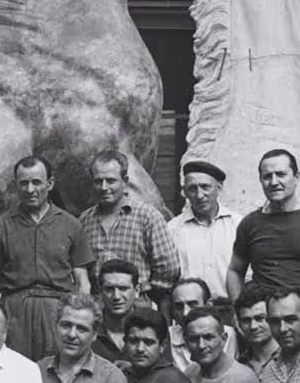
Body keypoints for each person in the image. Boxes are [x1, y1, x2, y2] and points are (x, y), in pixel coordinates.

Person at [0, 155, 91, 360]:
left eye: (36, 182)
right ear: (16, 186)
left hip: (58, 312)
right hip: (15, 313)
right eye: (24, 183)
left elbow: (82, 280)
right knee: (14, 373)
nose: (30, 190)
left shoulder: (71, 225)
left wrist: (78, 317)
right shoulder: (2, 226)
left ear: (50, 183)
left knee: (56, 370)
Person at [226, 149, 300, 315]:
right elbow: (235, 270)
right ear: (260, 180)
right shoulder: (250, 223)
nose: (274, 182)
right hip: (265, 322)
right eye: (267, 176)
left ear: (296, 177)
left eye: (281, 174)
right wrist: (240, 311)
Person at [79, 149, 179, 311]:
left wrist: (143, 298)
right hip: (97, 308)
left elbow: (167, 268)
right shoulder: (84, 220)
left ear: (125, 181)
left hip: (137, 307)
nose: (104, 187)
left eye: (111, 181)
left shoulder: (147, 216)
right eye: (98, 181)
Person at [167, 161, 238, 306]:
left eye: (205, 187)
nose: (199, 195)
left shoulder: (238, 225)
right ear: (185, 192)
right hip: (190, 311)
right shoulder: (172, 229)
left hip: (229, 309)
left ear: (219, 188)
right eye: (192, 189)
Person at [92, 259, 142, 364]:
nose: (116, 296)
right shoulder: (89, 329)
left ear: (137, 290)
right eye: (109, 289)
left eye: (123, 288)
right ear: (100, 292)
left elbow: (164, 374)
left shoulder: (155, 327)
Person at [165, 276, 213, 372]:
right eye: (179, 307)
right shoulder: (166, 336)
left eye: (192, 305)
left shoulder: (228, 335)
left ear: (208, 306)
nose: (185, 313)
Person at [233, 282, 278, 371]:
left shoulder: (290, 358)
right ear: (239, 324)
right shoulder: (239, 365)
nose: (253, 326)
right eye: (246, 320)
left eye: (260, 318)